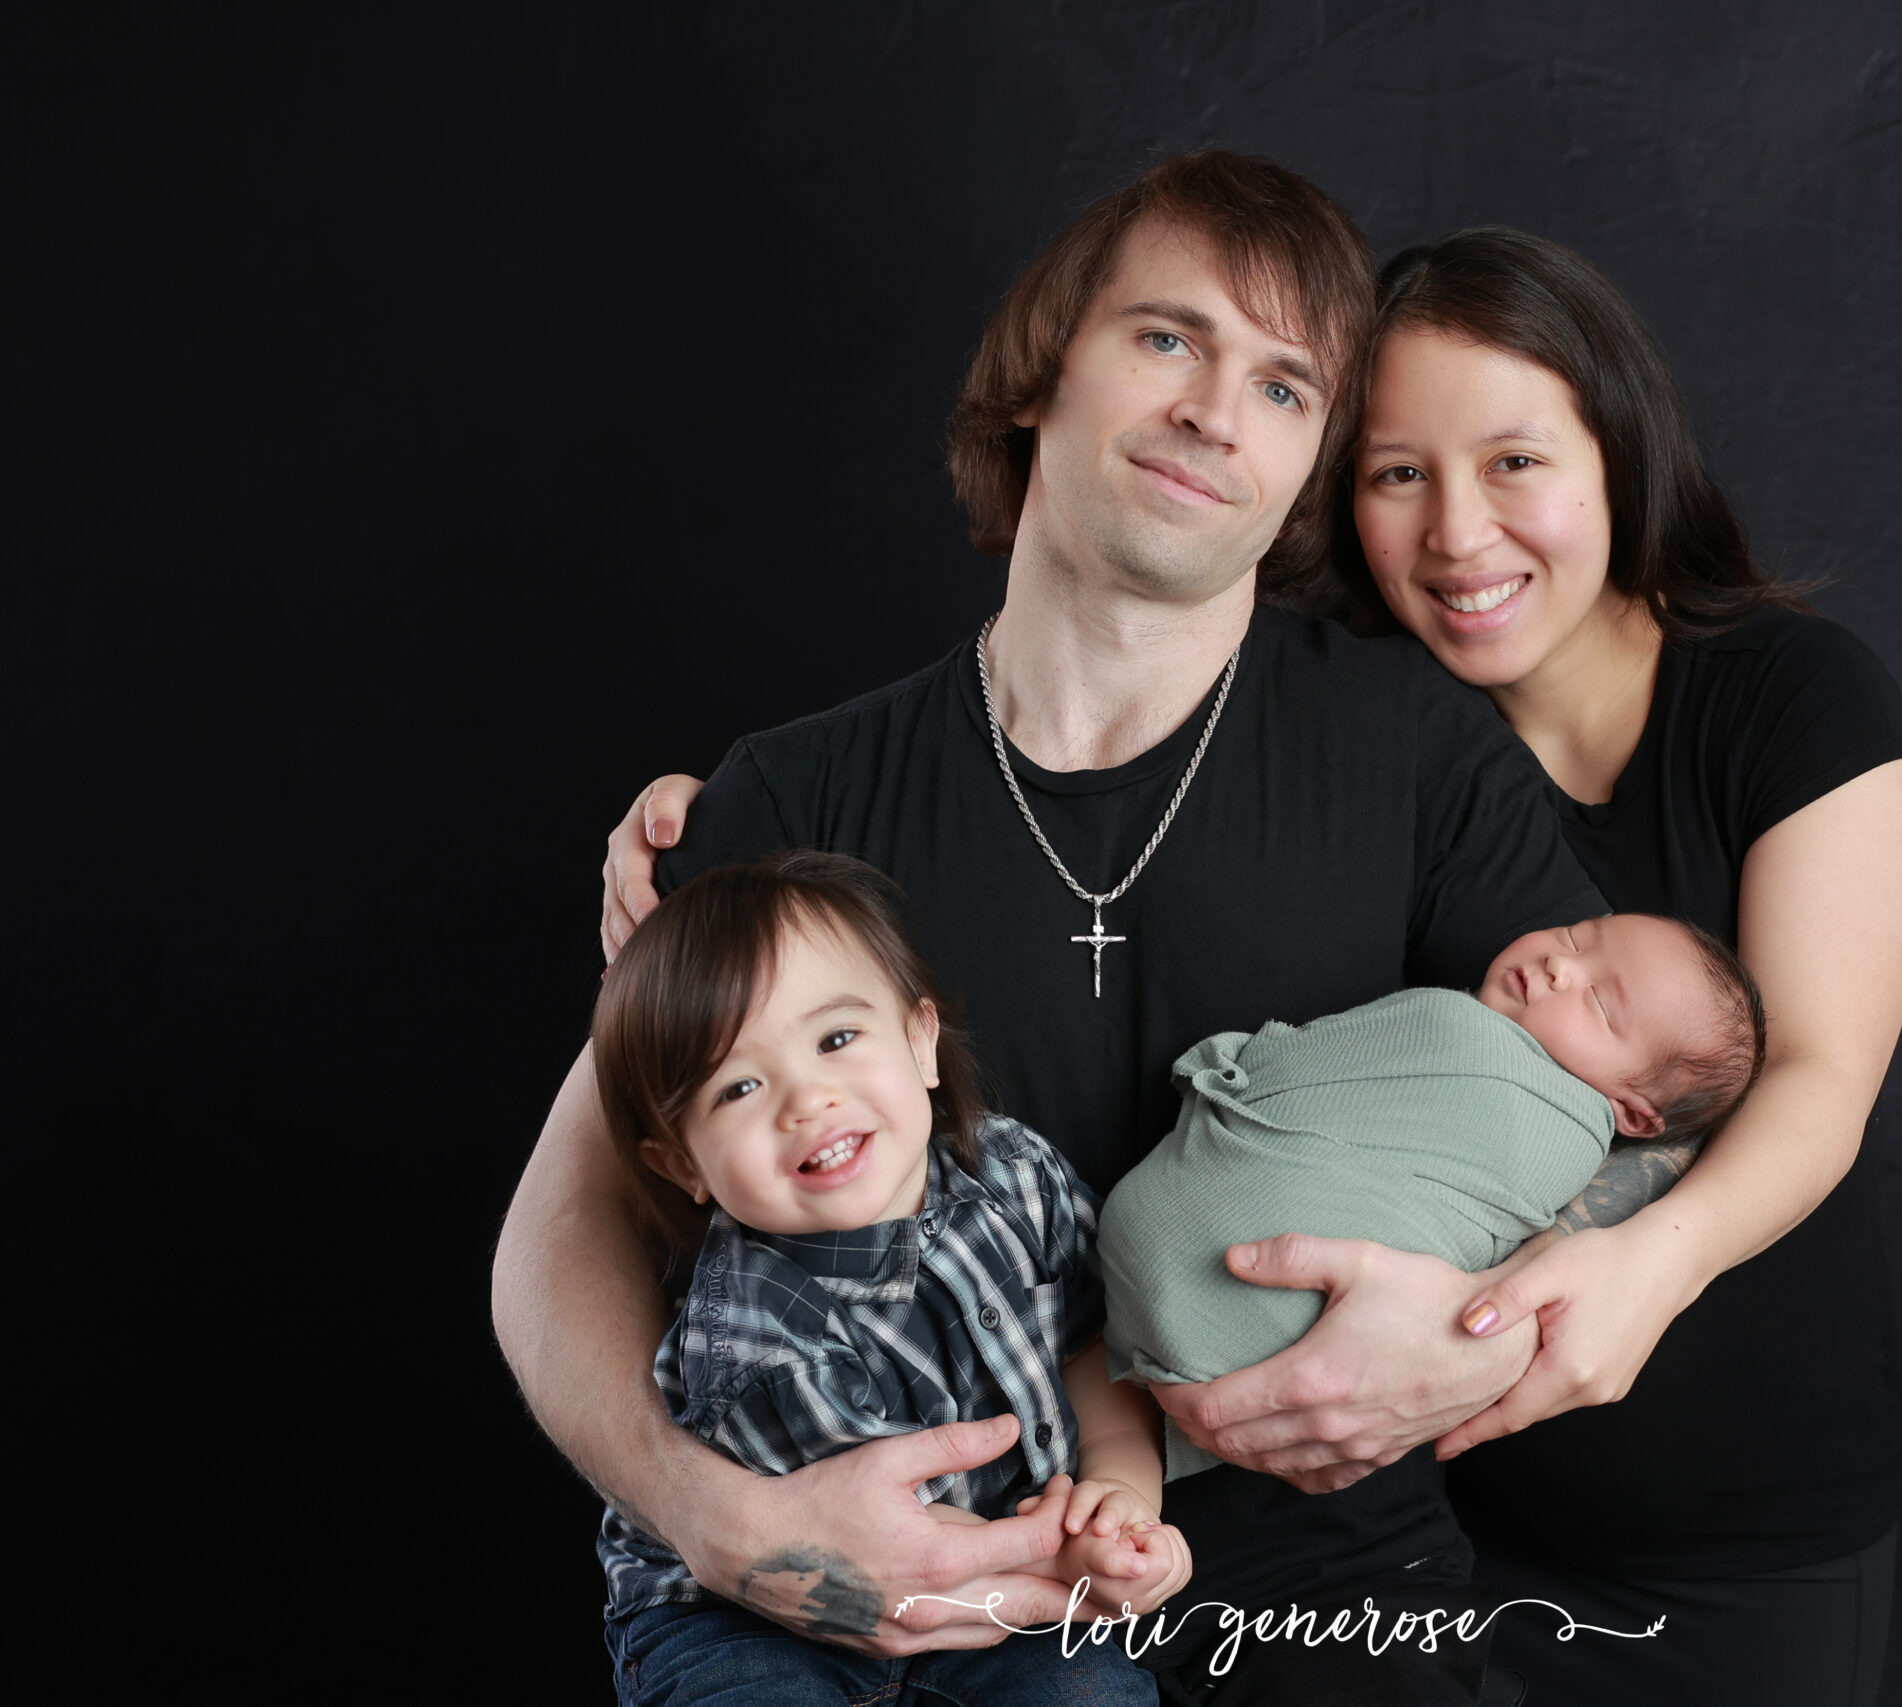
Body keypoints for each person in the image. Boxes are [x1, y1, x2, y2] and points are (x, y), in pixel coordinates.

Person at [496, 149, 1608, 1705]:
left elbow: (1628, 1133)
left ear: (1309, 466)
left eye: (1287, 388)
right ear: (1041, 371)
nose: (1219, 411)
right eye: (1170, 339)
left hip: (1321, 1586)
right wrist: (729, 1523)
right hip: (885, 1596)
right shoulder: (791, 791)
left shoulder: (1414, 748)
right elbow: (558, 1236)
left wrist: (1479, 1334)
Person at [1196, 225, 1902, 1706]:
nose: (1460, 534)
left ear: (1618, 454)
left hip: (1741, 1561)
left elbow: (1822, 1076)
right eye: (1400, 472)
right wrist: (731, 827)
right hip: (1404, 1552)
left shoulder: (1793, 697)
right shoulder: (1342, 734)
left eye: (1514, 461)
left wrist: (1641, 1271)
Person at [587, 852, 1180, 1703]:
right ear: (683, 1162)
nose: (807, 1100)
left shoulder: (1016, 1176)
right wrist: (1072, 1557)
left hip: (1004, 1569)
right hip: (757, 1608)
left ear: (921, 1040)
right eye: (740, 1086)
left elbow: (1093, 1343)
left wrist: (1121, 1502)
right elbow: (886, 1542)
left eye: (836, 1038)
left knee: (1092, 1691)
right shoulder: (748, 1330)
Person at [1104, 913, 1765, 1457]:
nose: (1562, 965)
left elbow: (1276, 1064)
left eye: (1599, 1001)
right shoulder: (1567, 1165)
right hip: (1243, 1376)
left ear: (1633, 1114)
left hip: (1187, 1270)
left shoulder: (1462, 1037)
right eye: (1577, 935)